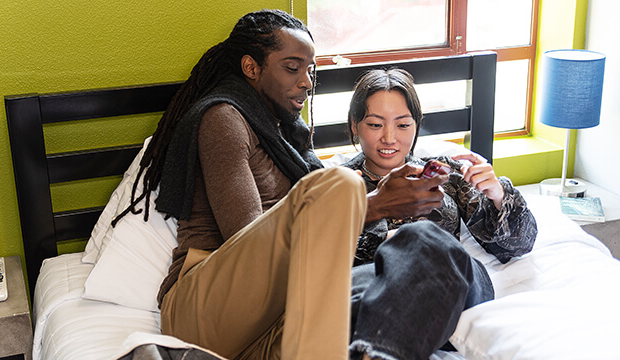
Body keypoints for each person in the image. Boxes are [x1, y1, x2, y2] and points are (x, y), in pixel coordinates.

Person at [112, 9, 447, 360]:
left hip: (272, 321)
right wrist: (371, 205)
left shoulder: (286, 134)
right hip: (204, 310)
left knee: (427, 257)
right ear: (251, 68)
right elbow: (249, 243)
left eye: (310, 69)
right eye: (292, 67)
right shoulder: (223, 119)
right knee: (340, 183)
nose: (307, 81)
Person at [342, 68, 538, 359]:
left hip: (453, 284)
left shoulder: (446, 173)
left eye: (403, 125)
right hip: (377, 285)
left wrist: (498, 195)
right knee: (348, 296)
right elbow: (320, 256)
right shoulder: (338, 184)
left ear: (417, 125)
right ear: (355, 125)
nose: (389, 138)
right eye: (374, 124)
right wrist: (385, 240)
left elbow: (517, 246)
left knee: (420, 236)